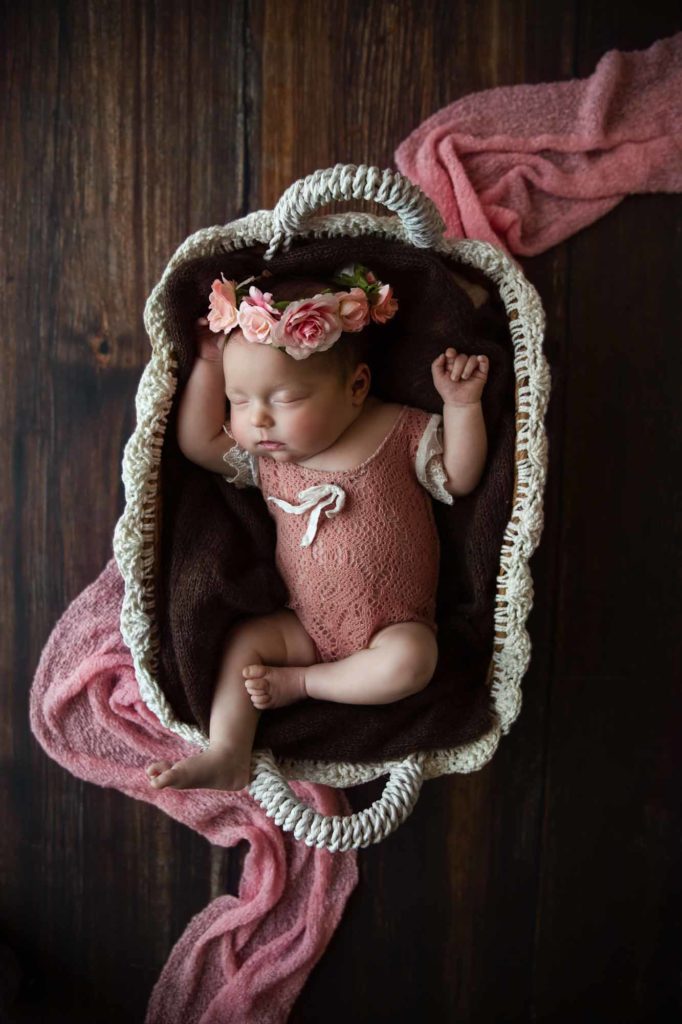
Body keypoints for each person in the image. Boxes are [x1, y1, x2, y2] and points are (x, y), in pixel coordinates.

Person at [146, 263, 489, 791]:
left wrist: (461, 407)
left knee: (414, 660)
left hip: (392, 625)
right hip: (304, 624)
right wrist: (211, 362)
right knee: (245, 643)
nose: (258, 419)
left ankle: (306, 685)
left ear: (356, 386)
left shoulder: (396, 430)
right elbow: (195, 443)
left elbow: (461, 479)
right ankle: (229, 750)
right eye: (240, 401)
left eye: (284, 399)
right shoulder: (268, 461)